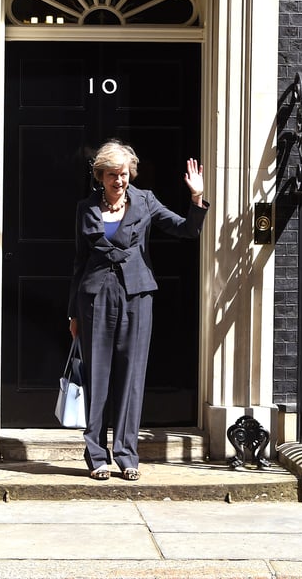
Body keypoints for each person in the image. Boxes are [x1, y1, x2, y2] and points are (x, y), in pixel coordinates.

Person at [67, 140, 209, 481]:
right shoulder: (86, 208)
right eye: (113, 175)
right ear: (100, 176)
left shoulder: (145, 201)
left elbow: (186, 230)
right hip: (95, 297)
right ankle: (97, 456)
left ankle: (128, 455)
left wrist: (195, 198)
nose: (120, 181)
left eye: (125, 174)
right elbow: (79, 261)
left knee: (131, 378)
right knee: (98, 377)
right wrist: (73, 312)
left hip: (136, 295)